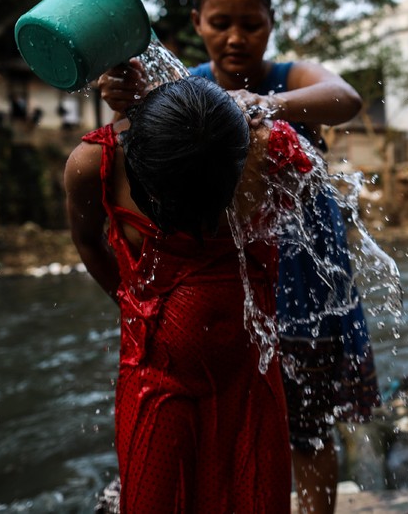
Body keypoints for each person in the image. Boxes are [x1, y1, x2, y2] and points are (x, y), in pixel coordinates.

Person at [99, 0, 381, 514]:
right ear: (197, 22)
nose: (234, 38)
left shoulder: (289, 79)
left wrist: (267, 105)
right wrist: (122, 98)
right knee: (235, 418)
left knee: (309, 425)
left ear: (271, 23)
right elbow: (141, 146)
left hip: (306, 279)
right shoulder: (187, 88)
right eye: (220, 22)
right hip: (233, 282)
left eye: (250, 24)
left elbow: (345, 98)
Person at [65, 75, 311, 512]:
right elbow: (88, 240)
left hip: (250, 377)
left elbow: (342, 99)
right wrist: (134, 306)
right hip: (156, 380)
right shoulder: (98, 160)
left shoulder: (267, 148)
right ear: (140, 164)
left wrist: (268, 104)